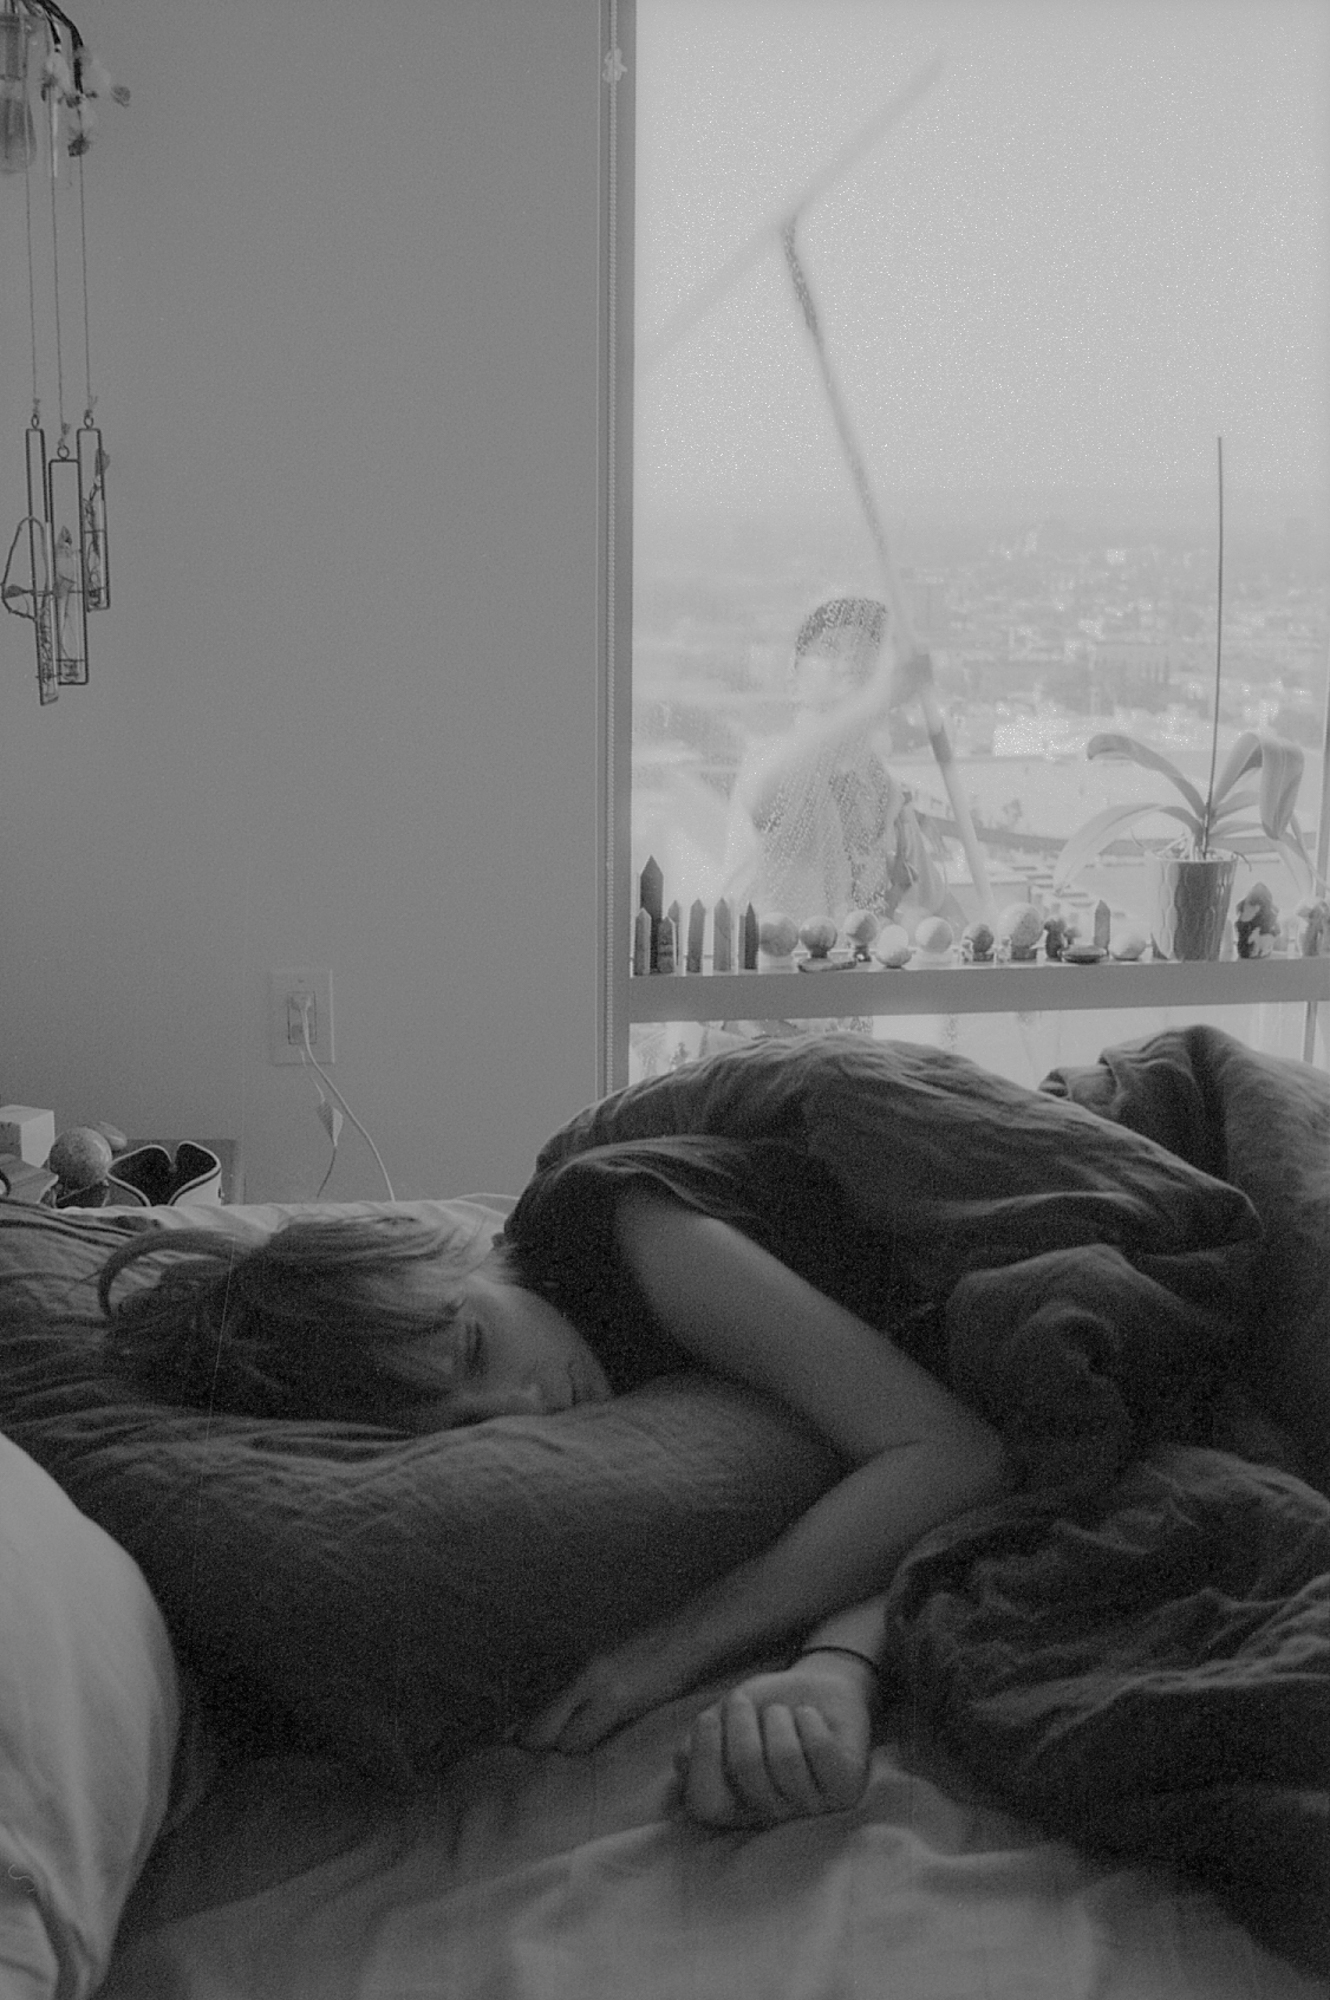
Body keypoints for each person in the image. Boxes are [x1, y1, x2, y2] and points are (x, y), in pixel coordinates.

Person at [99, 1147, 1010, 1831]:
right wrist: (839, 1658)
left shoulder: (613, 1226)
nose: (523, 1408)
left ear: (460, 1255)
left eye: (474, 1347)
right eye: (464, 1432)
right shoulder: (604, 1414)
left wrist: (677, 1648)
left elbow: (955, 1452)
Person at [722, 595, 946, 933]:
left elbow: (937, 906)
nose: (850, 655)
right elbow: (770, 792)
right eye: (828, 646)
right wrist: (879, 699)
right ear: (793, 684)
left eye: (865, 646)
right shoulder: (770, 762)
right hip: (781, 981)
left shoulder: (887, 798)